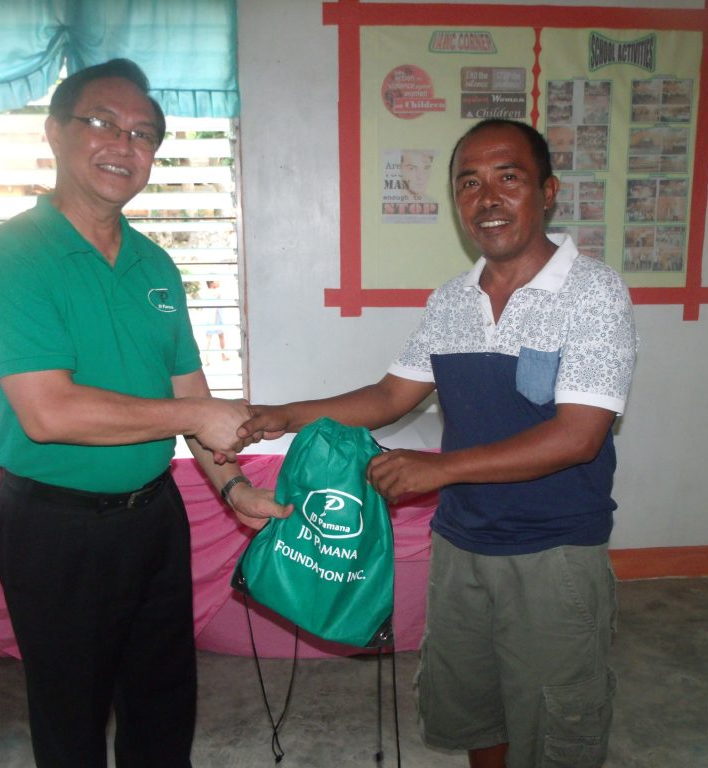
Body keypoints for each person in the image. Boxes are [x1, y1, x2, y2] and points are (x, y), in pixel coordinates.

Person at [240, 119, 637, 768]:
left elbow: (579, 436)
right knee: (473, 711)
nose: (487, 198)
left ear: (548, 191)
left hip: (554, 552)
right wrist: (288, 414)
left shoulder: (593, 293)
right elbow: (391, 396)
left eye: (508, 177)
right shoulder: (452, 301)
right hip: (461, 546)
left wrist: (440, 468)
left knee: (558, 727)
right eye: (469, 183)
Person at [0, 59, 289, 768]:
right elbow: (49, 412)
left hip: (153, 520)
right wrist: (201, 415)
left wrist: (234, 488)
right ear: (55, 133)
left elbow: (187, 400)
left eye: (144, 134)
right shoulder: (11, 255)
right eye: (103, 123)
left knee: (163, 706)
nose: (125, 144)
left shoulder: (155, 267)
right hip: (55, 529)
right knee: (71, 718)